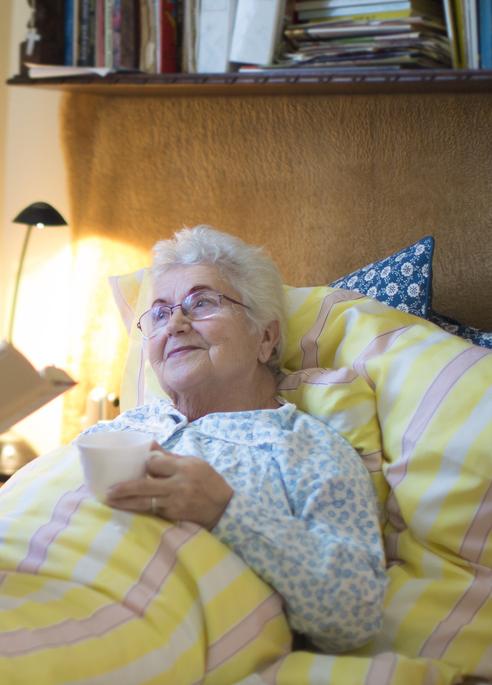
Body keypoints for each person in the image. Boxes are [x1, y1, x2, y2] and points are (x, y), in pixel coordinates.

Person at [83, 225, 388, 653]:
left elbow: (357, 614)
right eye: (159, 312)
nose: (175, 324)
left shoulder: (305, 450)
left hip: (132, 637)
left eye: (201, 303)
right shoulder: (110, 433)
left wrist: (227, 512)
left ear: (265, 337)